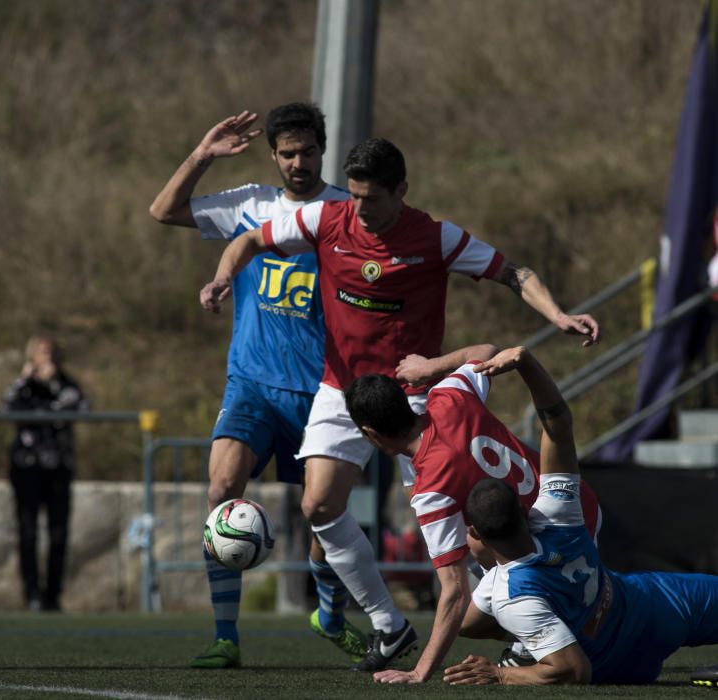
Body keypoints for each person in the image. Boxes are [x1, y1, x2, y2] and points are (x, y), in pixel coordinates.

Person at [200, 137, 600, 673]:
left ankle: (532, 622)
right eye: (356, 197)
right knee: (318, 506)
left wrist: (557, 315)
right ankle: (388, 626)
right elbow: (249, 240)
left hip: (417, 400)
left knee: (472, 537)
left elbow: (513, 272)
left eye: (372, 199)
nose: (360, 209)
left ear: (401, 191)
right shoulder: (327, 219)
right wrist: (224, 276)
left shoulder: (435, 237)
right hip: (341, 388)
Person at [150, 104, 363, 669]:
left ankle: (330, 613)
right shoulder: (250, 204)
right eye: (288, 154)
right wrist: (202, 154)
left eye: (308, 152)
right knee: (221, 488)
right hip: (252, 385)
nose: (298, 162)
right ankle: (225, 636)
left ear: (323, 149)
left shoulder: (346, 212)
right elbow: (163, 209)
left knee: (325, 518)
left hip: (322, 391)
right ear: (274, 156)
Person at [438, 346, 718, 685]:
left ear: (476, 533)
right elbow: (557, 422)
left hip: (619, 664)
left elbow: (573, 670)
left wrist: (499, 674)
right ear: (525, 510)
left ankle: (533, 642)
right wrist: (526, 363)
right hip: (653, 607)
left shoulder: (510, 595)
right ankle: (536, 638)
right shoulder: (556, 513)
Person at [344, 350, 601, 684]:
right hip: (578, 507)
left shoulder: (430, 489)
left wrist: (420, 672)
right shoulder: (449, 394)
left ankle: (539, 639)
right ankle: (552, 625)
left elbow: (454, 591)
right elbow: (486, 353)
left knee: (466, 612)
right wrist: (429, 368)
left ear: (371, 433)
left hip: (542, 546)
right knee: (481, 546)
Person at [3, 334, 88, 612]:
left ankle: (53, 595)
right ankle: (31, 595)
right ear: (31, 357)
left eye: (50, 352)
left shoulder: (66, 384)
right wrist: (27, 379)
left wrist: (52, 383)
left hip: (58, 468)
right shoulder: (24, 386)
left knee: (58, 534)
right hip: (26, 468)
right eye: (41, 352)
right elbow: (8, 404)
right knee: (27, 532)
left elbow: (77, 405)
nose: (47, 358)